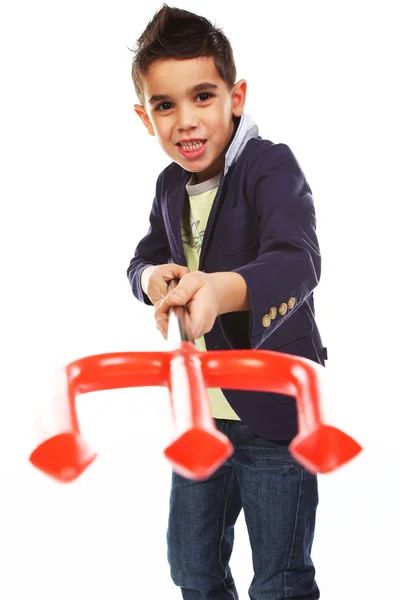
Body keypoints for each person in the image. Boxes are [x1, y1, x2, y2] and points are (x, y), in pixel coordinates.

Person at [127, 4, 324, 599]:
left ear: (236, 97)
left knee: (280, 581)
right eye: (165, 105)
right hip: (202, 414)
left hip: (273, 415)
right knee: (192, 566)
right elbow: (143, 256)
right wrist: (152, 279)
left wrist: (220, 287)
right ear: (145, 117)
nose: (186, 121)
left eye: (203, 97)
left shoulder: (270, 166)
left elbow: (299, 261)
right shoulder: (168, 185)